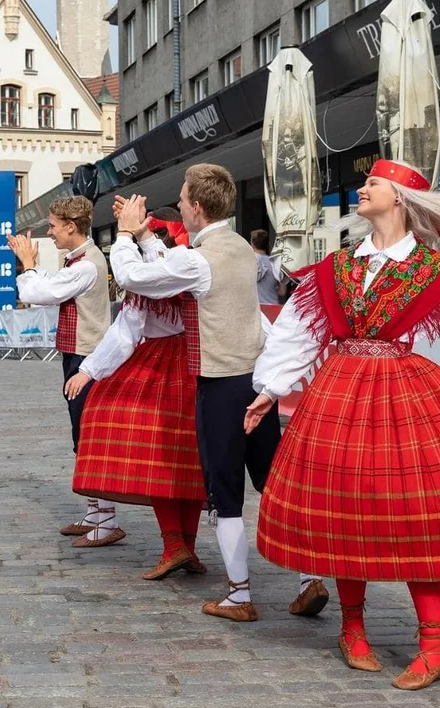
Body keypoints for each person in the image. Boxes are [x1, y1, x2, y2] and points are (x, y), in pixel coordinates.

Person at [245, 159, 440, 690]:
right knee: (344, 507)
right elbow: (296, 329)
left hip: (403, 395)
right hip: (339, 393)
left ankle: (435, 645)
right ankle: (353, 629)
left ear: (401, 198)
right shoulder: (338, 267)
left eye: (373, 184)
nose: (361, 189)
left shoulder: (431, 272)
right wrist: (269, 388)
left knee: (415, 512)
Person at [111, 164, 327, 622]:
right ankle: (309, 578)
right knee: (272, 482)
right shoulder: (242, 250)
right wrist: (149, 236)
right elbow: (175, 265)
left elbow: (135, 278)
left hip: (219, 383)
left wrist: (127, 236)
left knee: (224, 493)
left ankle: (239, 594)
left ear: (196, 207)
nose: (182, 202)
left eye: (184, 197)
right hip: (254, 380)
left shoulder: (198, 258)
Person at [65, 215, 208, 578]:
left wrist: (89, 370)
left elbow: (125, 333)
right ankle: (184, 546)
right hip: (199, 363)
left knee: (161, 457)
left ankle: (176, 545)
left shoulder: (152, 282)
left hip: (163, 367)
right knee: (188, 459)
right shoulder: (193, 269)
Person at [9, 196, 118, 547]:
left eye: (54, 225)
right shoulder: (81, 259)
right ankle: (95, 513)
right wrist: (32, 267)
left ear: (71, 226)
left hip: (87, 357)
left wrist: (26, 264)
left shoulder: (86, 265)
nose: (50, 232)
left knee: (88, 437)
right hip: (80, 354)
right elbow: (53, 284)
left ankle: (107, 519)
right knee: (82, 434)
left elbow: (43, 293)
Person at [251, 229, 283, 305]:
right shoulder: (275, 263)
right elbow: (282, 292)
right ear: (268, 244)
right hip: (272, 307)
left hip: (255, 308)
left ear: (252, 244)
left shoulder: (249, 262)